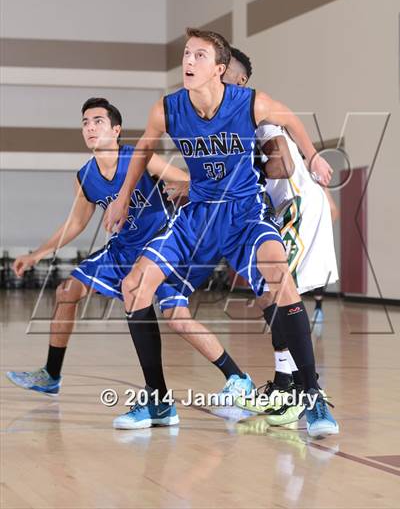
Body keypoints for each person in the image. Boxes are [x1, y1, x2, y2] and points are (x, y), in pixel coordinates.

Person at [104, 28, 339, 437]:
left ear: (219, 69)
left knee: (279, 277)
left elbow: (289, 118)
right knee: (134, 286)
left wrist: (314, 154)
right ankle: (158, 400)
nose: (188, 62)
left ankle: (313, 398)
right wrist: (123, 198)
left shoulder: (250, 102)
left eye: (199, 55)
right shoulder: (168, 108)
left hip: (244, 214)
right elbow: (142, 150)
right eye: (186, 54)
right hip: (198, 217)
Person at [6, 98, 254, 429]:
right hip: (122, 251)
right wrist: (36, 254)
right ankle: (51, 374)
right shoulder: (86, 176)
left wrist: (181, 185)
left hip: (161, 246)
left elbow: (190, 181)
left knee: (177, 319)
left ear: (116, 130)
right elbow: (75, 224)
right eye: (85, 123)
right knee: (67, 291)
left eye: (97, 121)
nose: (90, 127)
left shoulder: (139, 157)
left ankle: (237, 378)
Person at [222, 48, 339, 419]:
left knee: (278, 292)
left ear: (237, 79)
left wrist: (242, 174)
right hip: (287, 209)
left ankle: (296, 391)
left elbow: (283, 164)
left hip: (294, 209)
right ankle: (285, 382)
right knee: (265, 295)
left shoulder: (253, 113)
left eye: (220, 71)